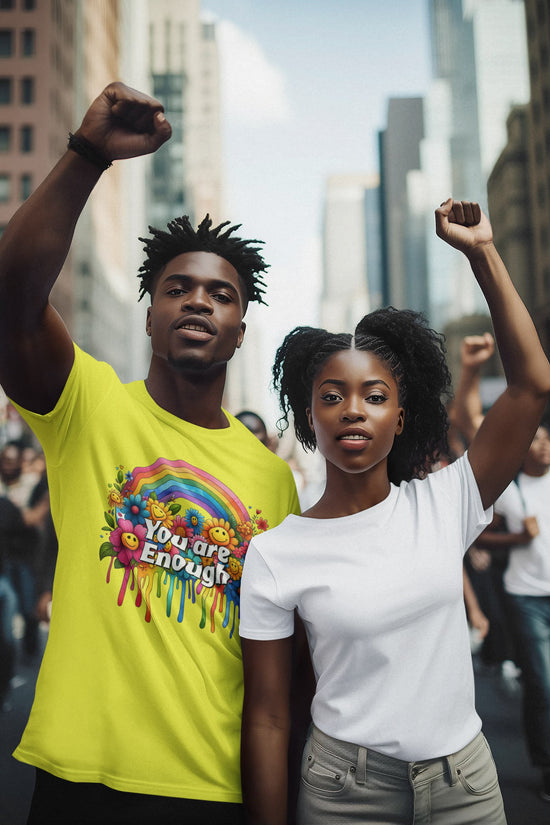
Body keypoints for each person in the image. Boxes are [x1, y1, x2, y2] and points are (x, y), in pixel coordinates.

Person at [0, 82, 299, 824]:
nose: (198, 300)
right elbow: (9, 300)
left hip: (213, 788)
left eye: (220, 295)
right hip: (79, 783)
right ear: (150, 317)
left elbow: (281, 672)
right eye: (177, 288)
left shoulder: (273, 479)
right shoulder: (86, 405)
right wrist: (87, 156)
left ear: (238, 332)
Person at [239, 199, 550, 825]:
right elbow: (269, 717)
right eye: (332, 396)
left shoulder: (447, 500)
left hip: (467, 785)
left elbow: (530, 386)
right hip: (343, 794)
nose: (354, 409)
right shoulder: (275, 554)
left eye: (374, 396)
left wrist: (482, 252)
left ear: (400, 417)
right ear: (308, 418)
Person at [475, 424, 550, 801]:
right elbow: (481, 533)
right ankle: (547, 765)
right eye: (534, 441)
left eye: (546, 439)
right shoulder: (511, 491)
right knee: (542, 682)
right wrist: (518, 539)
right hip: (525, 597)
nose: (543, 446)